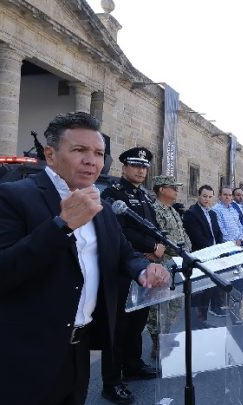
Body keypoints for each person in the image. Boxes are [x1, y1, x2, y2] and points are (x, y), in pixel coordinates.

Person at [0, 112, 170, 405]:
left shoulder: (103, 208)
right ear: (50, 153)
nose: (91, 160)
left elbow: (124, 253)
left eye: (98, 153)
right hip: (19, 355)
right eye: (79, 150)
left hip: (77, 350)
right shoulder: (11, 197)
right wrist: (61, 225)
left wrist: (145, 269)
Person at [98, 147, 165, 403]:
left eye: (144, 167)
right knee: (118, 327)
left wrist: (159, 246)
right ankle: (112, 381)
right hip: (124, 270)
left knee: (137, 321)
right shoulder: (113, 195)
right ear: (124, 167)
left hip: (146, 268)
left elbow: (153, 226)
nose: (141, 170)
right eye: (135, 165)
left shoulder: (145, 197)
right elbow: (119, 231)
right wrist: (149, 249)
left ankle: (133, 365)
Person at [148, 175, 192, 355]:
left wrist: (188, 251)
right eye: (172, 187)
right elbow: (164, 239)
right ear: (161, 189)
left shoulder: (172, 210)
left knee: (175, 303)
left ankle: (166, 336)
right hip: (163, 264)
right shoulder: (155, 209)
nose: (176, 190)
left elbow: (183, 234)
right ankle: (157, 342)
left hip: (178, 264)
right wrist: (181, 252)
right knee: (157, 307)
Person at [182, 185, 223, 325]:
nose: (207, 199)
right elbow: (196, 238)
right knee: (198, 293)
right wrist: (213, 250)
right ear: (199, 196)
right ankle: (194, 324)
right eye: (204, 196)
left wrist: (220, 248)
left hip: (213, 256)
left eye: (210, 197)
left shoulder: (212, 214)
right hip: (199, 258)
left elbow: (218, 233)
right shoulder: (191, 213)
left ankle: (203, 321)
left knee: (208, 290)